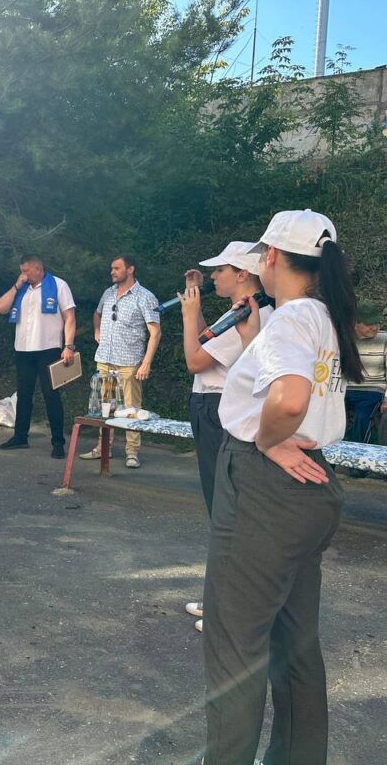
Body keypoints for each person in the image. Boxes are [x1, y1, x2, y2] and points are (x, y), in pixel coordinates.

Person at [203, 209, 362, 765]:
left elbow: (290, 400)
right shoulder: (325, 316)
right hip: (310, 486)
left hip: (264, 485)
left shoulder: (292, 318)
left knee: (234, 646)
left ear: (271, 256)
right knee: (295, 644)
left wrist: (268, 441)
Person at [178, 242, 273, 633]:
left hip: (219, 410)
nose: (213, 276)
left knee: (226, 509)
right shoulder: (240, 311)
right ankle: (221, 597)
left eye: (220, 270)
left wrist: (187, 316)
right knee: (223, 508)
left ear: (243, 274)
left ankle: (229, 606)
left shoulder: (248, 315)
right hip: (214, 407)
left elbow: (195, 360)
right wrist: (196, 304)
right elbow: (206, 341)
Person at [81, 255, 161, 468]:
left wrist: (146, 362)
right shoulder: (108, 293)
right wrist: (97, 330)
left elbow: (155, 332)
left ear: (130, 269)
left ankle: (132, 452)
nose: (112, 272)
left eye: (116, 268)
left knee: (131, 408)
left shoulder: (145, 297)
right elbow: (97, 314)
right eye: (112, 268)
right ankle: (103, 448)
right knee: (105, 407)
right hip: (105, 360)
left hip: (129, 363)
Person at [0, 254, 77, 458]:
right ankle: (20, 437)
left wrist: (69, 346)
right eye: (21, 271)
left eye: (25, 271)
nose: (22, 274)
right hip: (23, 349)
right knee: (23, 395)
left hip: (48, 348)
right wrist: (16, 285)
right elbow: (0, 308)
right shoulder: (21, 288)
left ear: (38, 269)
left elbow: (70, 317)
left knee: (51, 395)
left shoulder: (58, 285)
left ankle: (58, 442)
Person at [344, 300, 386, 453]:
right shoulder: (344, 339)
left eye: (376, 323)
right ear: (355, 323)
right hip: (344, 388)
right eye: (369, 324)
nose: (374, 327)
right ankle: (328, 457)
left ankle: (358, 458)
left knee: (363, 416)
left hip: (373, 389)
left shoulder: (384, 339)